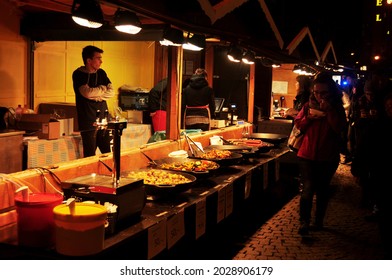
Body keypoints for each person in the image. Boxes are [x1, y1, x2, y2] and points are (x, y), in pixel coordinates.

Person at [294, 72, 347, 235]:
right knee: (308, 188)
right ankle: (304, 222)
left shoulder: (337, 107)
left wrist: (329, 111)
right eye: (316, 92)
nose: (319, 96)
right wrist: (309, 118)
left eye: (323, 93)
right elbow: (298, 125)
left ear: (331, 92)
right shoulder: (307, 105)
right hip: (307, 154)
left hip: (328, 156)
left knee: (323, 189)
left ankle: (318, 221)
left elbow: (339, 128)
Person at [72, 45, 114, 157]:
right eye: (98, 58)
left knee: (107, 154)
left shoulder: (101, 73)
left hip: (104, 120)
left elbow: (111, 91)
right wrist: (102, 89)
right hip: (88, 121)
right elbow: (87, 93)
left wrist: (97, 96)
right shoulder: (78, 74)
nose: (101, 61)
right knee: (90, 154)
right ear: (89, 60)